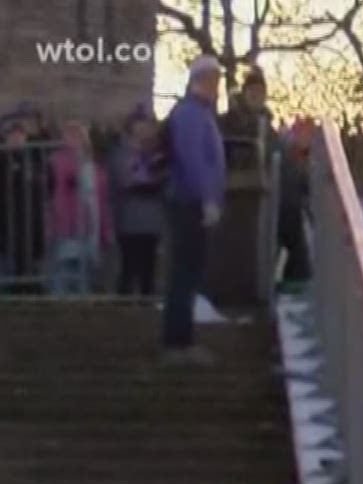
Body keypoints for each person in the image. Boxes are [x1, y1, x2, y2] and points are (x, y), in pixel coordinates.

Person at [162, 55, 228, 364]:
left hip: (194, 201)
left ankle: (182, 338)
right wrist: (206, 198)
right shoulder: (190, 114)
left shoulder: (200, 114)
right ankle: (177, 341)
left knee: (190, 272)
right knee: (184, 273)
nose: (217, 86)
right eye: (213, 79)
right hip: (188, 202)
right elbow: (194, 160)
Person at [46, 119, 111, 295]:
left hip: (91, 223)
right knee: (66, 265)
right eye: (69, 135)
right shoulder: (56, 161)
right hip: (66, 221)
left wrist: (104, 230)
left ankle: (83, 300)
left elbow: (101, 200)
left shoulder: (96, 167)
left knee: (87, 269)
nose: (74, 139)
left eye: (78, 135)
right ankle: (61, 300)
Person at [111, 106, 166, 296]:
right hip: (129, 218)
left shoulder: (156, 153)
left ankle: (146, 299)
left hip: (152, 219)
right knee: (129, 264)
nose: (144, 129)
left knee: (148, 266)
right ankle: (124, 302)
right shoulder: (124, 152)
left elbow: (162, 176)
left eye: (148, 125)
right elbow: (125, 180)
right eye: (140, 125)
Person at [0, 112, 50, 293]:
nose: (16, 138)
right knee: (15, 252)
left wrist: (42, 126)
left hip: (32, 214)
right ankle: (18, 287)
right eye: (12, 135)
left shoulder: (32, 156)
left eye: (20, 134)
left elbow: (45, 151)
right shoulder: (4, 157)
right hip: (11, 215)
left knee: (32, 252)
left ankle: (30, 285)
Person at [277, 118, 314, 291]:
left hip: (294, 209)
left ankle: (296, 282)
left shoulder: (308, 158)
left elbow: (308, 186)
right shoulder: (286, 154)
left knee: (299, 254)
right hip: (283, 208)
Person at [221, 69, 278, 170]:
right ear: (244, 93)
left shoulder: (269, 130)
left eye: (260, 91)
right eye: (252, 90)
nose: (256, 95)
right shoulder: (226, 122)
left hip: (262, 184)